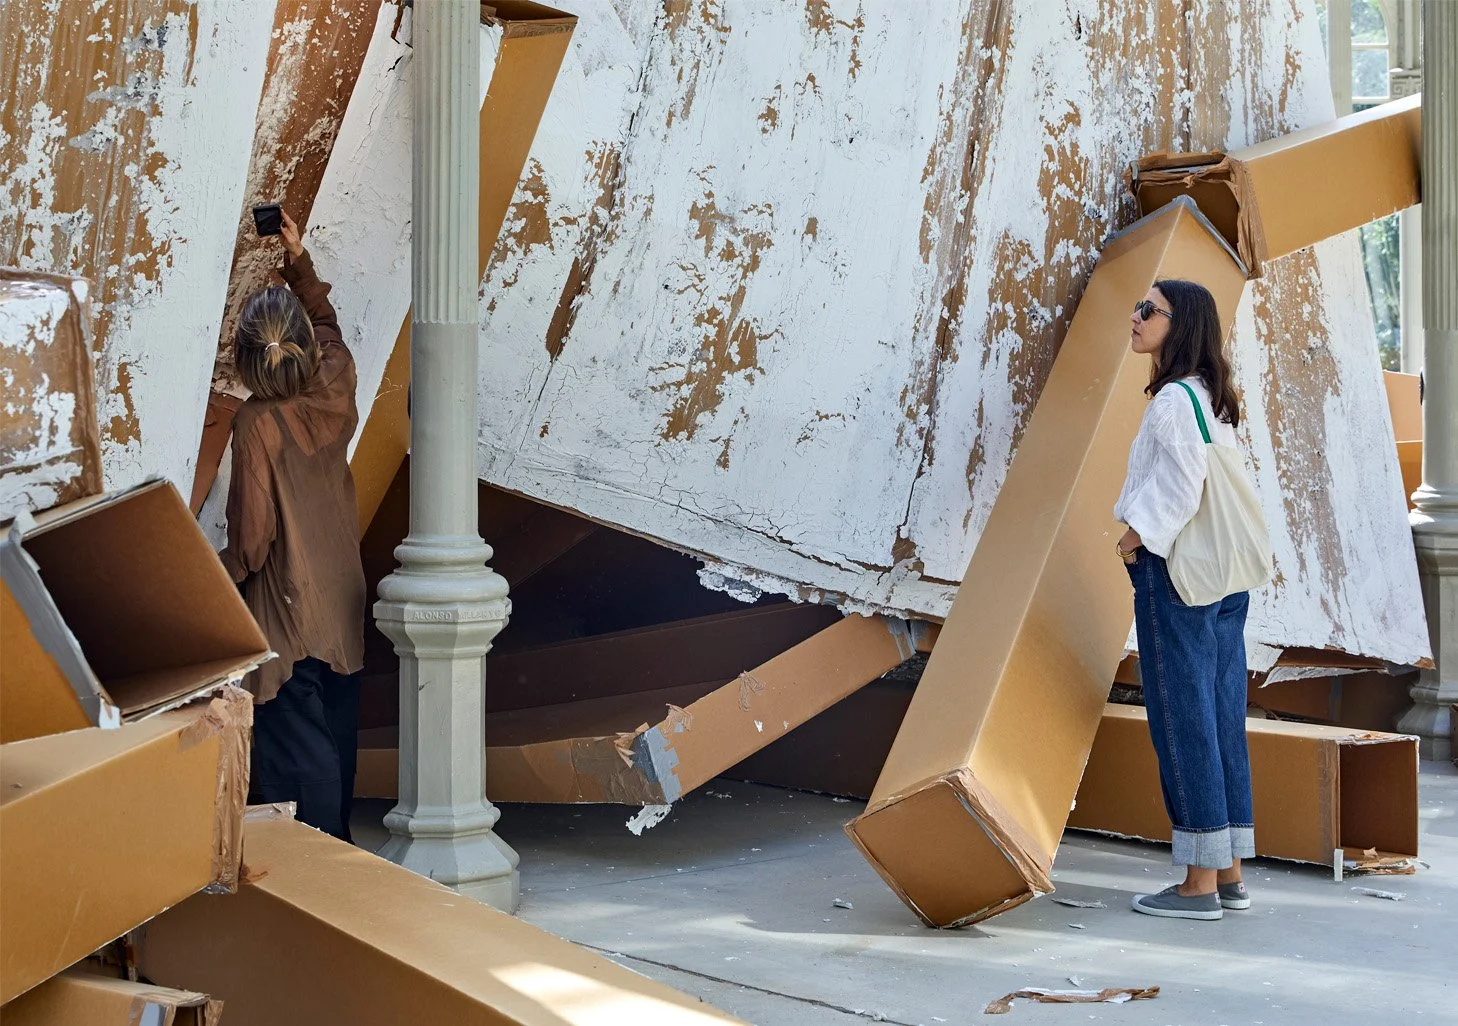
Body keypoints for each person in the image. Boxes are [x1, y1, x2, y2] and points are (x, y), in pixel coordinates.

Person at [219, 209, 365, 842]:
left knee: (299, 766)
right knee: (337, 734)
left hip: (288, 611)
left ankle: (321, 873)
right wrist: (297, 259)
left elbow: (253, 545)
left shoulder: (256, 425)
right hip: (341, 597)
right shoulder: (335, 380)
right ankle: (346, 857)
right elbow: (328, 329)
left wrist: (205, 580)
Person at [1113, 279, 1254, 921]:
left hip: (1177, 573)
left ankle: (1198, 884)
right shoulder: (1211, 396)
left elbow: (1182, 485)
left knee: (1181, 716)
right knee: (1221, 713)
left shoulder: (1173, 399)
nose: (1136, 317)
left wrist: (1137, 537)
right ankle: (1228, 871)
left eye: (1150, 310)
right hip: (1225, 577)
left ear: (1181, 323)